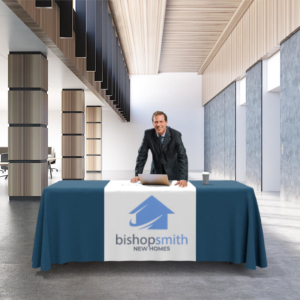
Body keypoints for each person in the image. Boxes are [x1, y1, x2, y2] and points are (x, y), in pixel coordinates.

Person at [131, 111, 188, 188]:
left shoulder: (176, 135)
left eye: (161, 121)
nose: (158, 125)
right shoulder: (148, 134)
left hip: (173, 174)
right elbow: (142, 156)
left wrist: (183, 178)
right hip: (156, 174)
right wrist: (138, 175)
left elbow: (182, 157)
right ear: (153, 123)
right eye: (156, 122)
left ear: (166, 122)